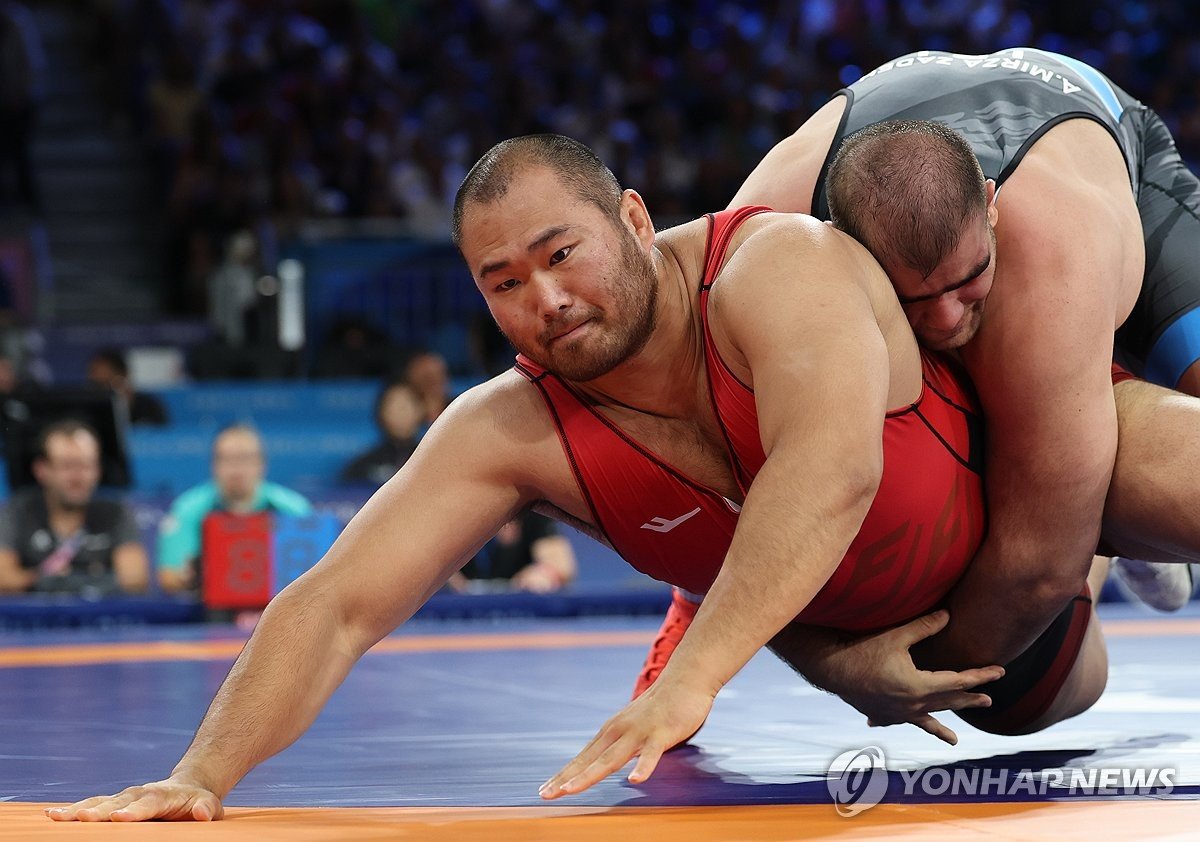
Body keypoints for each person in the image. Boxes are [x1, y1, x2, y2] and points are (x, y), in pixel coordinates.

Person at [46, 135, 1193, 822]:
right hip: (951, 633)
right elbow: (340, 601)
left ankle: (1098, 520)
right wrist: (200, 773)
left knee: (1162, 484)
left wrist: (685, 684)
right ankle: (1097, 558)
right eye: (502, 280)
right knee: (1052, 691)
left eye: (561, 253)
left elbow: (833, 468)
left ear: (635, 219)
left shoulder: (772, 262)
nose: (542, 298)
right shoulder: (507, 426)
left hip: (1022, 456)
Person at [693, 45, 1200, 678]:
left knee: (1023, 654)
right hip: (921, 147)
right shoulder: (769, 230)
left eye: (968, 284)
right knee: (1019, 699)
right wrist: (690, 623)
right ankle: (1084, 429)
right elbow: (698, 443)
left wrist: (888, 674)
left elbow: (1040, 569)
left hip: (1102, 138)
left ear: (990, 209)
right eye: (915, 299)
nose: (946, 321)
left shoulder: (1053, 263)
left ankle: (1093, 442)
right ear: (839, 240)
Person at [157, 424, 312, 593]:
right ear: (213, 465)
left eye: (245, 458)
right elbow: (168, 576)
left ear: (262, 464)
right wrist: (188, 577)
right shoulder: (187, 509)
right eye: (227, 459)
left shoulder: (295, 510)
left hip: (280, 606)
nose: (236, 469)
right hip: (209, 611)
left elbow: (318, 574)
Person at [0, 420, 148, 595]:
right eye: (67, 466)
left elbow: (135, 579)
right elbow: (3, 578)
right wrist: (43, 579)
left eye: (86, 466)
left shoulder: (115, 513)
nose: (77, 477)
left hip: (100, 617)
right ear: (41, 470)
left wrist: (79, 582)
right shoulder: (18, 512)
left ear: (98, 470)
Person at [448, 511, 578, 594]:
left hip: (516, 612)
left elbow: (562, 566)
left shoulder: (533, 509)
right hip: (453, 610)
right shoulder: (451, 508)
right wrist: (443, 578)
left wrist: (543, 573)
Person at [338, 379, 423, 487]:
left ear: (421, 410)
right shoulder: (362, 466)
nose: (400, 413)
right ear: (381, 413)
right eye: (394, 407)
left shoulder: (433, 459)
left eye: (404, 406)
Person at [87, 348, 170, 427]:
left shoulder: (151, 408)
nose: (104, 391)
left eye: (107, 383)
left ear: (123, 377)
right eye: (97, 385)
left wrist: (125, 406)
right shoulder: (90, 413)